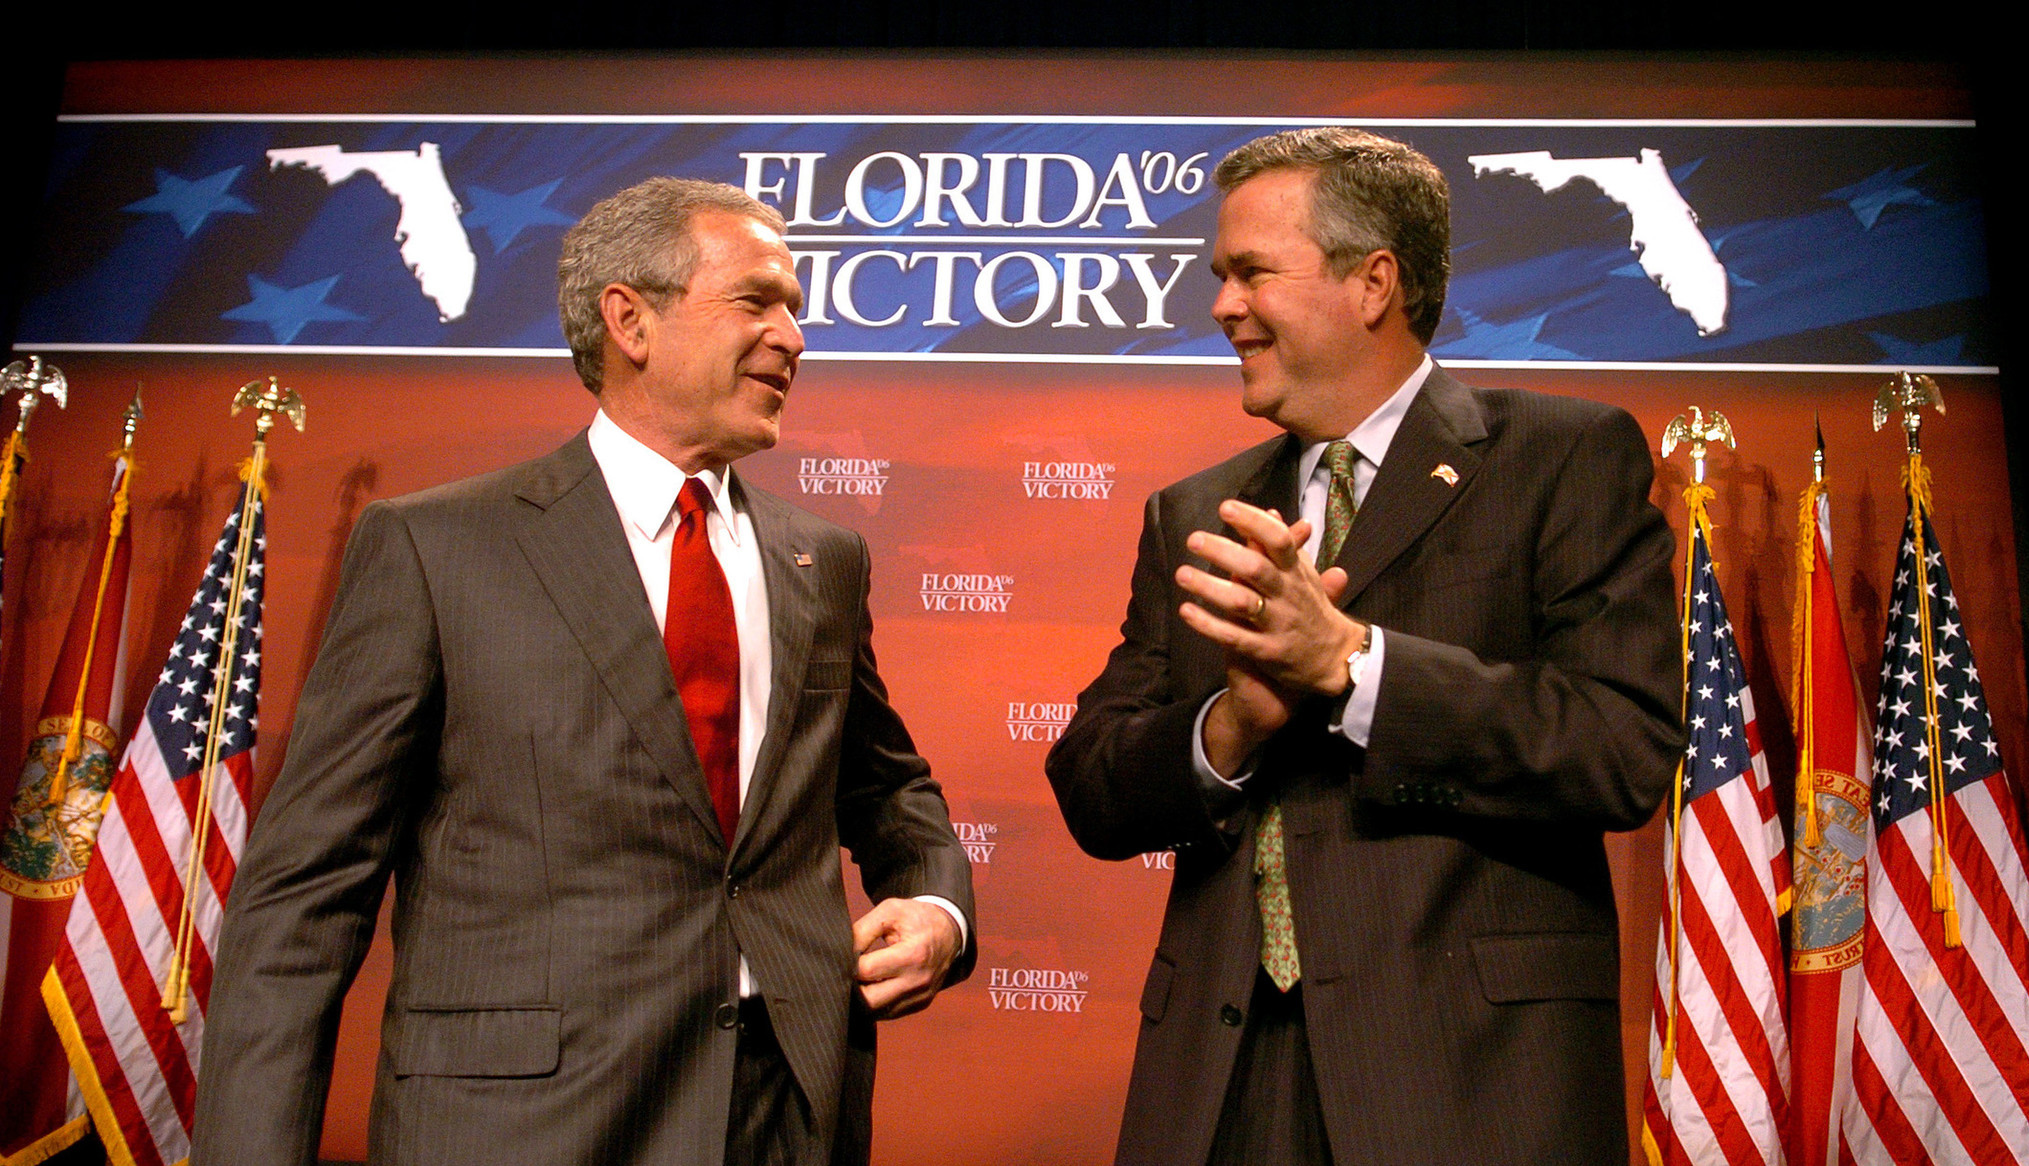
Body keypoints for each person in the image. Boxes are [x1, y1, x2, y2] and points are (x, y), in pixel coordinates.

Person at [193, 178, 975, 1166]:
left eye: (794, 308)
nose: (793, 337)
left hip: (780, 1118)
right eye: (757, 301)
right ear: (630, 320)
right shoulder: (436, 548)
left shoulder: (824, 559)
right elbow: (303, 898)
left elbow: (889, 790)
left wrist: (939, 908)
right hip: (523, 1126)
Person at [1045, 127, 1684, 1165]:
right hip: (1224, 1086)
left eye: (1252, 272)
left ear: (1372, 282)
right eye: (1220, 277)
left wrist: (1354, 668)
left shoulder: (1560, 457)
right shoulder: (1197, 513)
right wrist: (1230, 725)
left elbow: (1619, 745)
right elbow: (1091, 784)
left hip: (1467, 1085)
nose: (1223, 306)